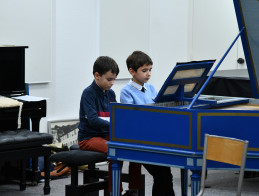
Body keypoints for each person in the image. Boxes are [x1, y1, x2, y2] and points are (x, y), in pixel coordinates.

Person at [77, 56, 139, 195]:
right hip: (88, 138)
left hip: (106, 134)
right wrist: (115, 127)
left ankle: (134, 189)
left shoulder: (110, 93)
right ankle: (115, 191)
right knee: (115, 150)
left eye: (114, 80)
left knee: (135, 147)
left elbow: (115, 115)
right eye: (109, 79)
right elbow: (93, 121)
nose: (112, 83)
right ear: (97, 76)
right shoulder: (88, 93)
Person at [120, 51, 175, 196]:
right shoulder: (126, 91)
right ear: (132, 71)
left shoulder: (150, 88)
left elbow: (158, 109)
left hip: (154, 138)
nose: (148, 74)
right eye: (144, 71)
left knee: (165, 173)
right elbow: (130, 119)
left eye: (150, 70)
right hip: (139, 141)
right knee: (161, 173)